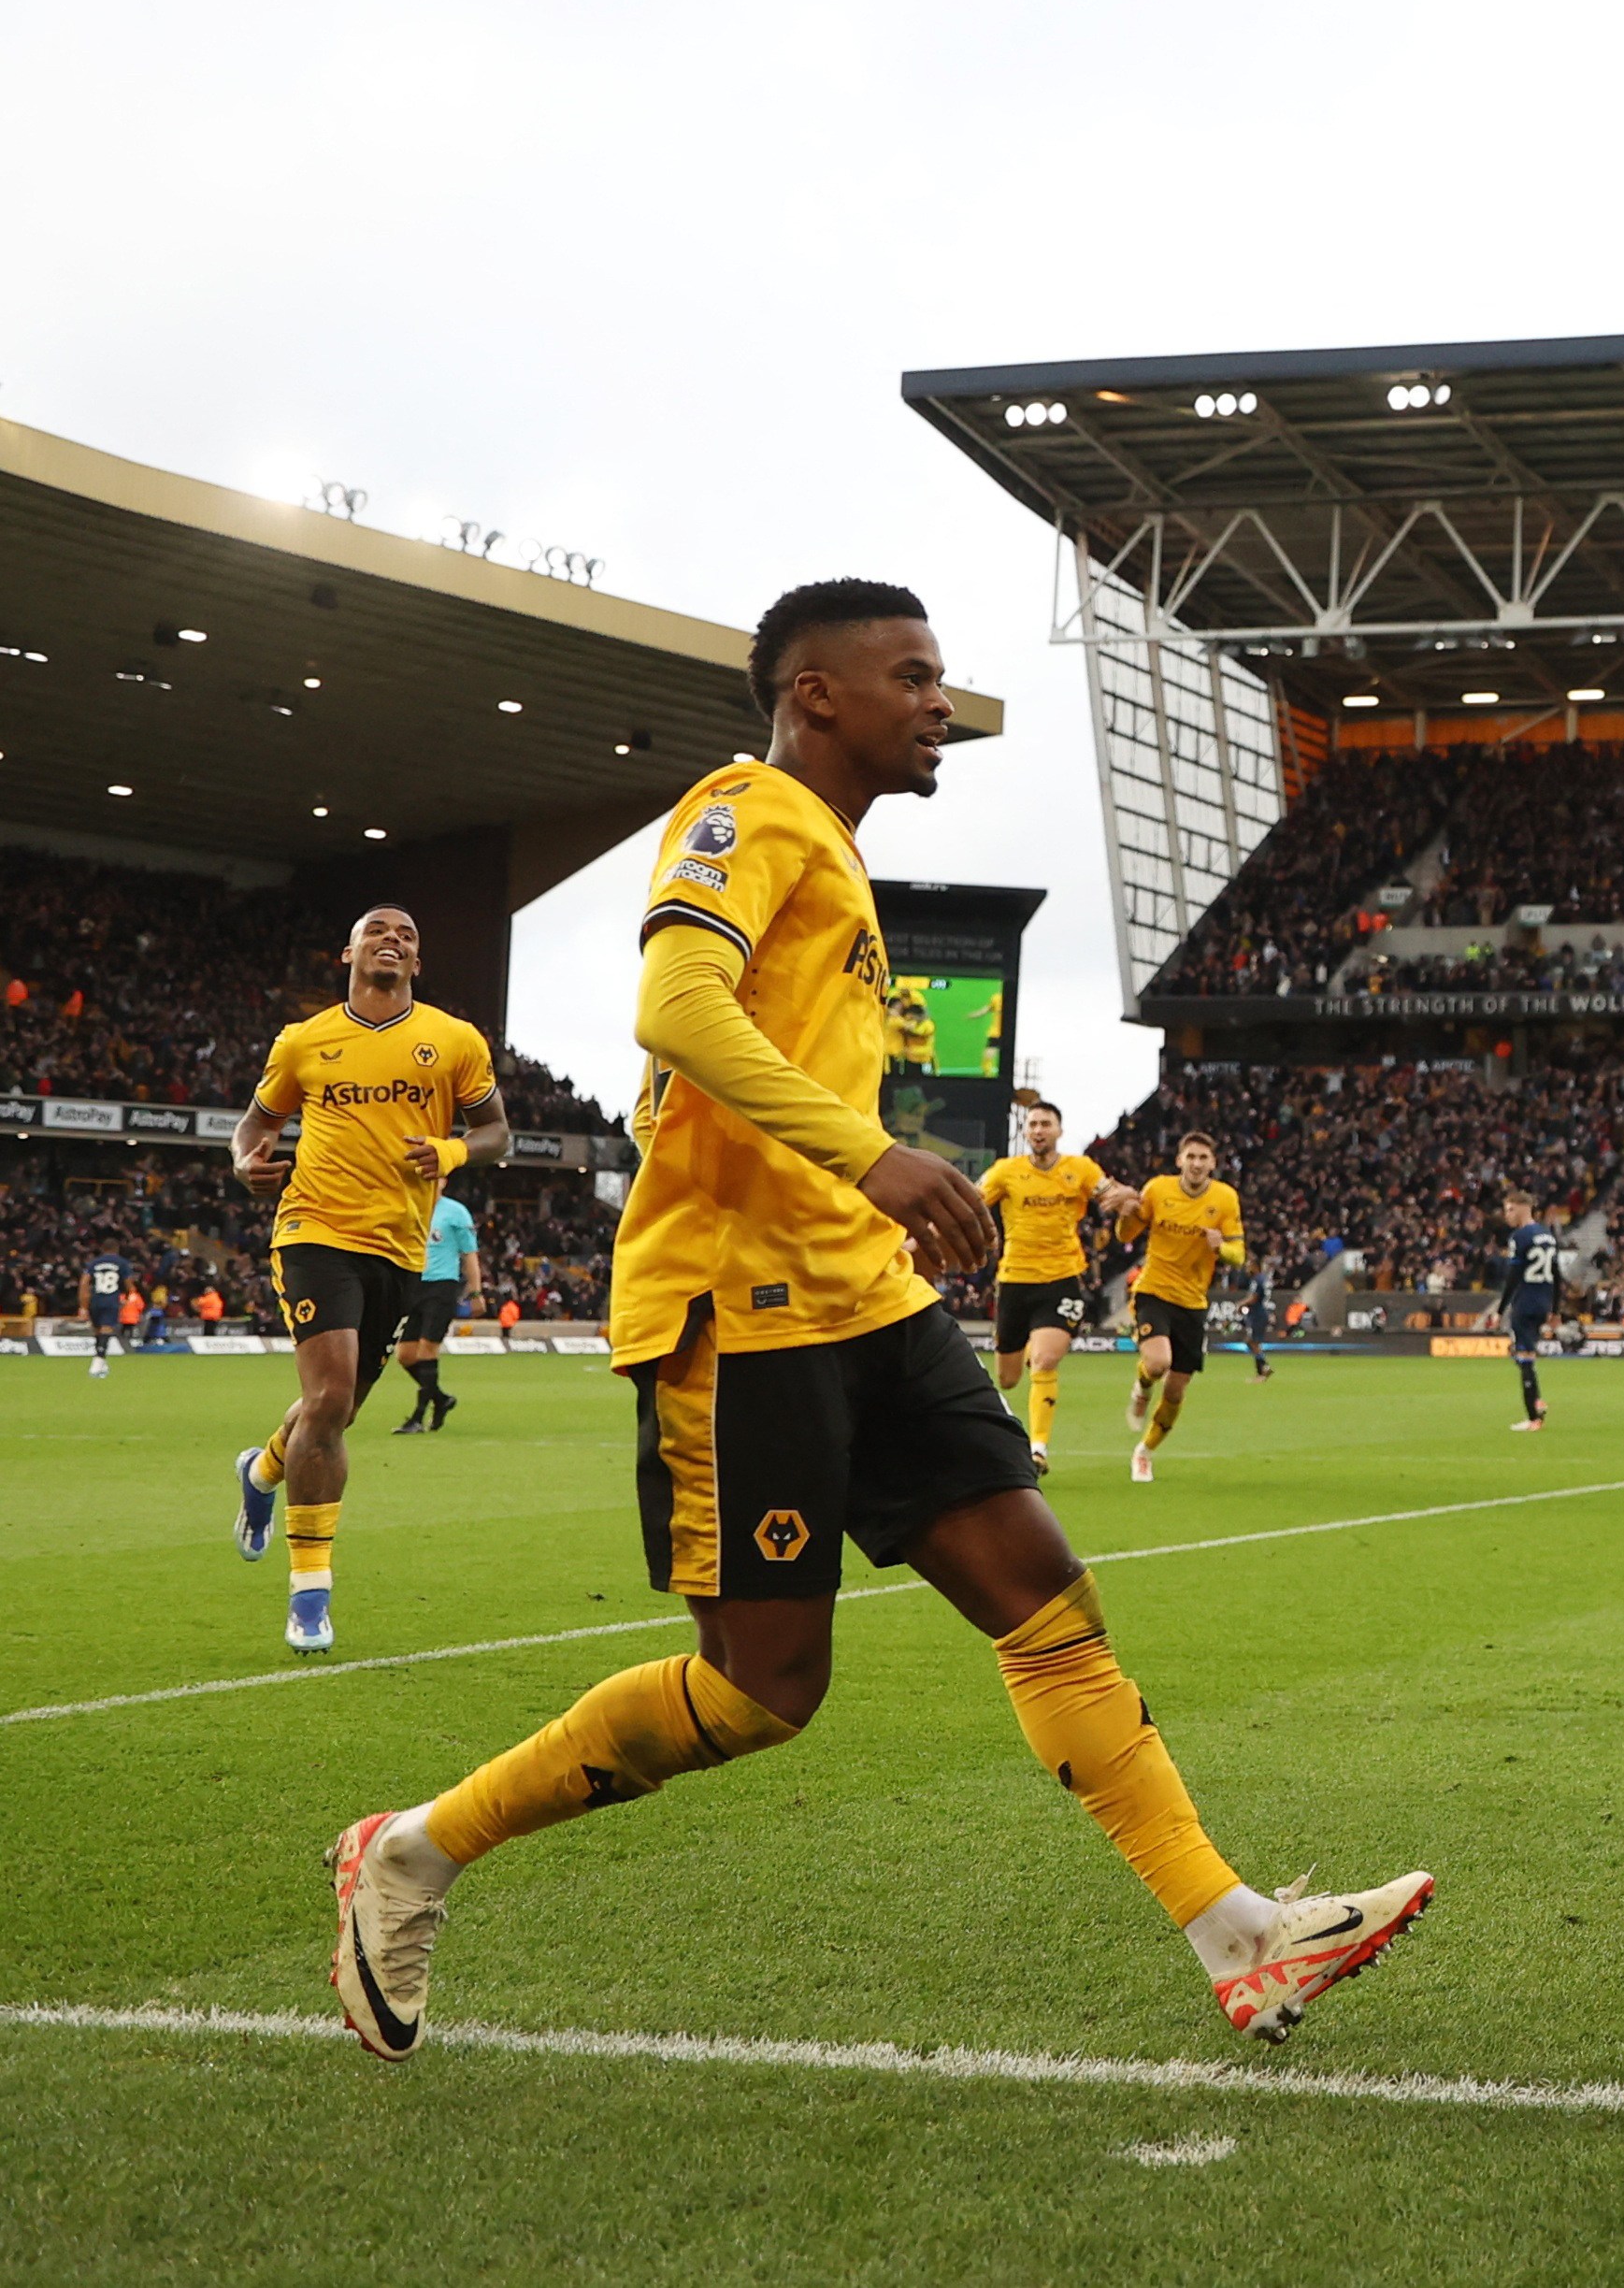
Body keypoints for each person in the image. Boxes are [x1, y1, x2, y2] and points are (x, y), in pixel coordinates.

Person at [322, 577, 1430, 2065]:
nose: (939, 701)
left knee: (1048, 1599)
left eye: (943, 675)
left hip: (871, 1295)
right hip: (742, 1310)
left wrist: (883, 1181)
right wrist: (878, 1154)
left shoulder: (836, 867)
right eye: (911, 673)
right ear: (813, 690)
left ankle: (1238, 1939)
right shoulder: (745, 803)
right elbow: (674, 1008)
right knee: (761, 1686)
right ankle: (408, 1850)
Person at [228, 907, 511, 1655]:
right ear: (348, 950)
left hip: (399, 1248)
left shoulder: (454, 1040)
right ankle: (310, 1592)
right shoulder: (304, 1040)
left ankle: (261, 1472)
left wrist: (451, 1151)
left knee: (337, 1412)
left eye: (409, 934)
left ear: (416, 962)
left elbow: (497, 1133)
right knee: (326, 1396)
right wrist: (244, 1163)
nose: (394, 938)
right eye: (379, 930)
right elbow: (254, 1126)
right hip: (314, 1229)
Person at [975, 1100, 1128, 1467]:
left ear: (1059, 1130)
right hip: (1014, 1280)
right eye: (1033, 1124)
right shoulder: (1005, 1172)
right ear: (1026, 1132)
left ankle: (1038, 1449)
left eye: (1046, 1124)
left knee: (1044, 1361)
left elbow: (1113, 1193)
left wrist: (1124, 1197)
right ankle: (1026, 1358)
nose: (1039, 1130)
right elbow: (971, 1200)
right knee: (1008, 1379)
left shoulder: (1081, 1169)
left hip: (1061, 1279)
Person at [1117, 1131, 1247, 1481]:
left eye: (1203, 1158)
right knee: (1158, 1363)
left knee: (1176, 1390)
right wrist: (1127, 1215)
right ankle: (1142, 1386)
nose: (1196, 1163)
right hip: (1153, 1290)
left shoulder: (1225, 1198)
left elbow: (1239, 1255)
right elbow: (1125, 1235)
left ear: (1213, 1164)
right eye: (1191, 1156)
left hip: (1193, 1301)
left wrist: (1220, 1248)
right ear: (1180, 1161)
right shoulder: (1157, 1190)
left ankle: (1144, 1452)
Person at [390, 1188, 483, 1433]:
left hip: (441, 1287)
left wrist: (475, 1292)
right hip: (414, 1284)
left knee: (427, 1349)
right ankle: (441, 1399)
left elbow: (469, 1254)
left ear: (444, 1181)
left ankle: (418, 1418)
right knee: (405, 1355)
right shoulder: (409, 1204)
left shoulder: (455, 1212)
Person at [1499, 1190, 1559, 1431]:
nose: (1507, 1215)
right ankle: (1537, 1399)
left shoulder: (1519, 1236)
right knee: (1525, 1355)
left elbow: (1513, 1277)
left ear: (1525, 1208)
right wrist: (1555, 1308)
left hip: (1524, 1303)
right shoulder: (1548, 1235)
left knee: (1523, 1359)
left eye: (1510, 1209)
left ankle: (1534, 1417)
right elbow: (1557, 1276)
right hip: (1543, 1302)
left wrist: (1500, 1309)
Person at [79, 1246, 127, 1378]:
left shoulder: (94, 1262)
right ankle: (98, 1361)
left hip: (95, 1300)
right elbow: (129, 1282)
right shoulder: (121, 1262)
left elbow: (84, 1283)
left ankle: (102, 1364)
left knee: (97, 1330)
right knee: (106, 1329)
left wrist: (83, 1306)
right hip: (111, 1300)